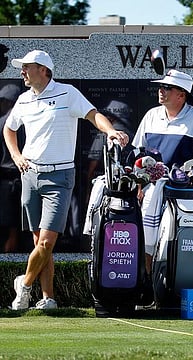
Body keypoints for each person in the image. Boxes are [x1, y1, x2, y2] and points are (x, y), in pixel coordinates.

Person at [3, 50, 129, 310]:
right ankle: (48, 297)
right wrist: (16, 156)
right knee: (41, 244)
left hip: (60, 177)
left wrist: (111, 131)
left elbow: (93, 115)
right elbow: (9, 128)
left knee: (48, 241)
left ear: (43, 70)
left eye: (27, 67)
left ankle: (24, 285)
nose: (22, 72)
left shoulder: (68, 92)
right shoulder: (24, 99)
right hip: (30, 176)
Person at [132, 69, 193, 285]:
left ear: (182, 94)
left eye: (167, 88)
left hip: (184, 195)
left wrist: (191, 175)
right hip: (153, 191)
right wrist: (139, 187)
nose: (161, 91)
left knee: (177, 239)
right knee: (148, 241)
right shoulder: (151, 115)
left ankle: (174, 287)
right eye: (161, 87)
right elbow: (138, 154)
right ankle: (149, 288)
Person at [0, 83, 22, 252]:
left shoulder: (2, 122)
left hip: (7, 181)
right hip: (24, 178)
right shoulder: (29, 122)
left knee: (10, 228)